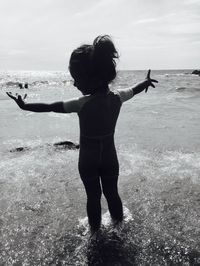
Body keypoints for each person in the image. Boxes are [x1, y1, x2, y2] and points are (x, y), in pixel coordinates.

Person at [7, 35, 158, 236]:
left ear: (91, 78)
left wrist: (25, 106)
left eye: (76, 79)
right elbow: (135, 90)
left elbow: (50, 107)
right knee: (112, 193)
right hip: (110, 158)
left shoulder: (81, 103)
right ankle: (120, 228)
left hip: (88, 160)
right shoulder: (118, 97)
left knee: (93, 197)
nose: (75, 84)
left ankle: (94, 234)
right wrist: (146, 82)